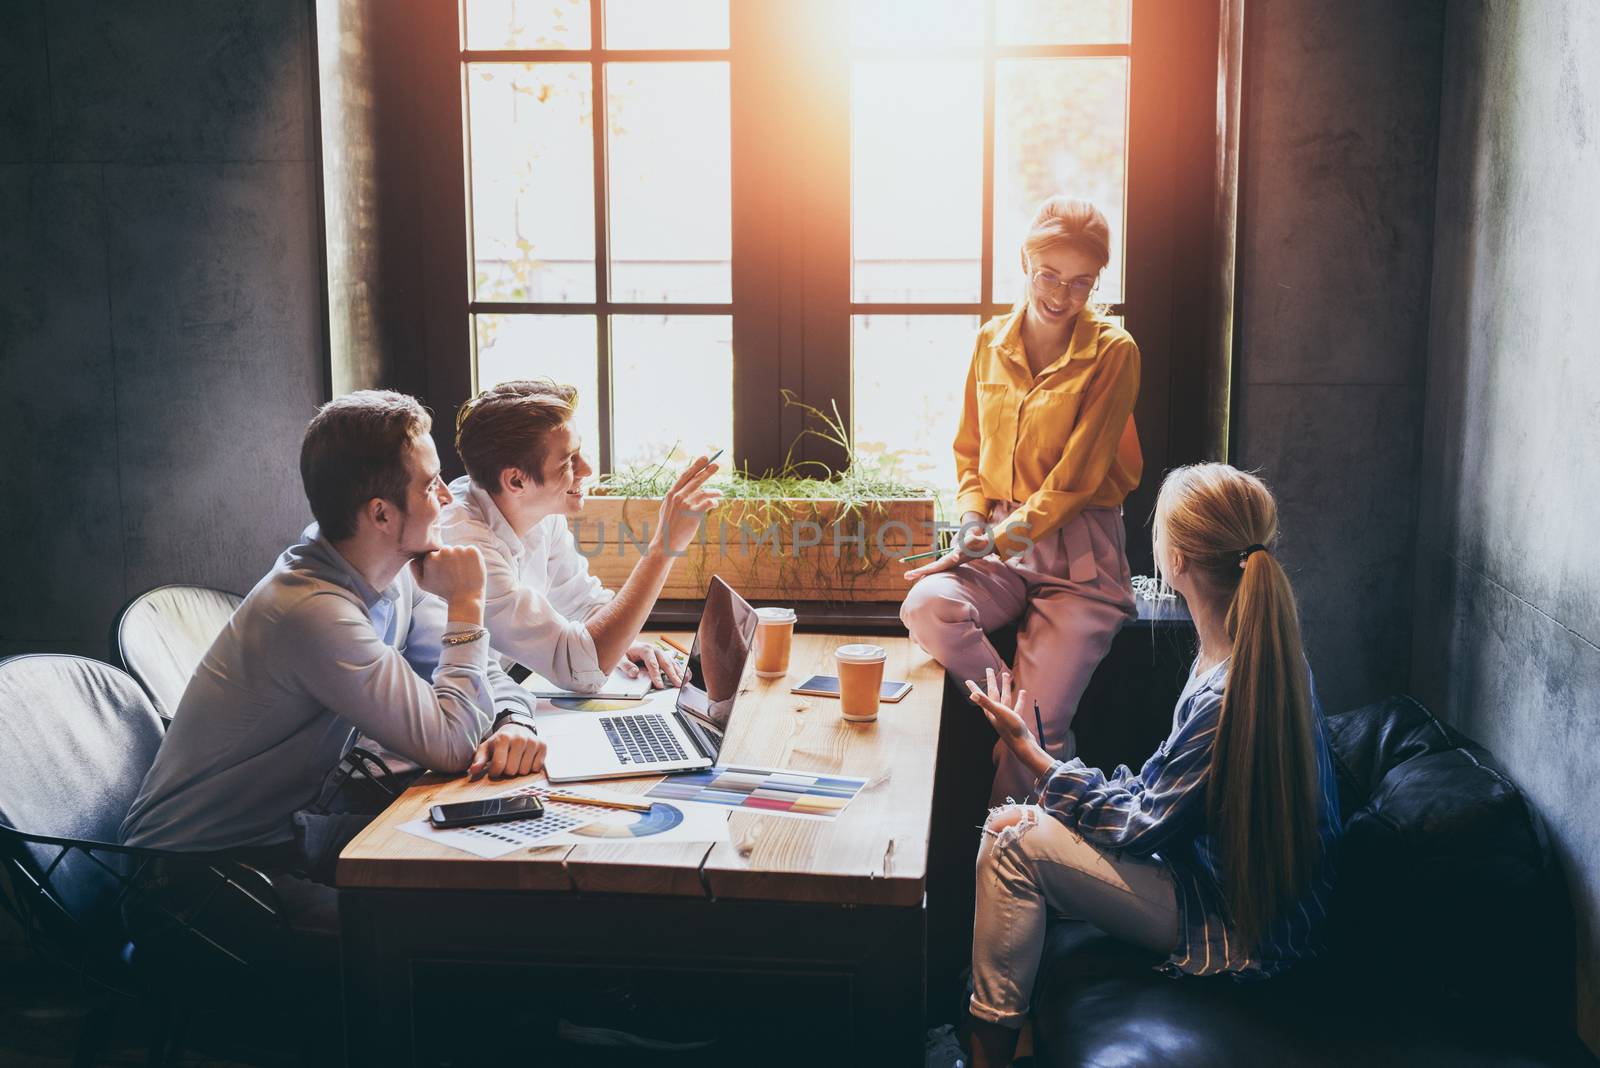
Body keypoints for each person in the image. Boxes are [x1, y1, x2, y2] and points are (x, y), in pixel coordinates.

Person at [120, 390, 545, 966]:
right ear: (380, 513)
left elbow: (478, 674)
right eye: (430, 484)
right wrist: (469, 600)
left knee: (491, 863)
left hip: (289, 833)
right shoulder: (314, 611)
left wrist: (514, 718)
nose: (447, 498)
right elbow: (451, 744)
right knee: (437, 939)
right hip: (200, 879)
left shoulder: (388, 572)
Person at [958, 463, 1341, 1068]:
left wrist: (1031, 755)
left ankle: (988, 1055)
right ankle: (1014, 1036)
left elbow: (1142, 826)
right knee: (1014, 824)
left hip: (1239, 926)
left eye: (1157, 532)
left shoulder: (1226, 689)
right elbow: (1161, 790)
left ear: (1179, 559)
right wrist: (1050, 772)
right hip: (1229, 888)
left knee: (1012, 845)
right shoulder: (1244, 651)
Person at [900, 196, 1143, 801]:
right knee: (926, 605)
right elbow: (968, 449)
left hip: (1079, 558)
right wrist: (973, 520)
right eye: (1049, 276)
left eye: (1081, 283)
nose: (1061, 295)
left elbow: (1077, 480)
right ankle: (1024, 724)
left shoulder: (1114, 352)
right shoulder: (990, 342)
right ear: (1026, 263)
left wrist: (996, 539)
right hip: (999, 544)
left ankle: (1014, 880)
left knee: (1033, 739)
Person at [441, 379, 720, 692]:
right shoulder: (467, 547)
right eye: (568, 461)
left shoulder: (540, 513)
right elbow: (579, 670)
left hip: (506, 694)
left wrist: (625, 642)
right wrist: (663, 547)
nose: (587, 469)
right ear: (516, 481)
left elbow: (584, 604)